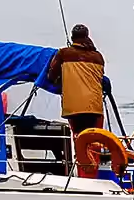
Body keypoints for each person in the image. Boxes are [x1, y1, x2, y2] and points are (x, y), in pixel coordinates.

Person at [44, 23, 107, 166]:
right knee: (91, 138)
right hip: (94, 107)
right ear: (87, 36)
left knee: (79, 139)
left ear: (72, 37)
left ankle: (83, 168)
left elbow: (51, 76)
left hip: (74, 108)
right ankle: (92, 167)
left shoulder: (64, 53)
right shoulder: (98, 57)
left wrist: (59, 80)